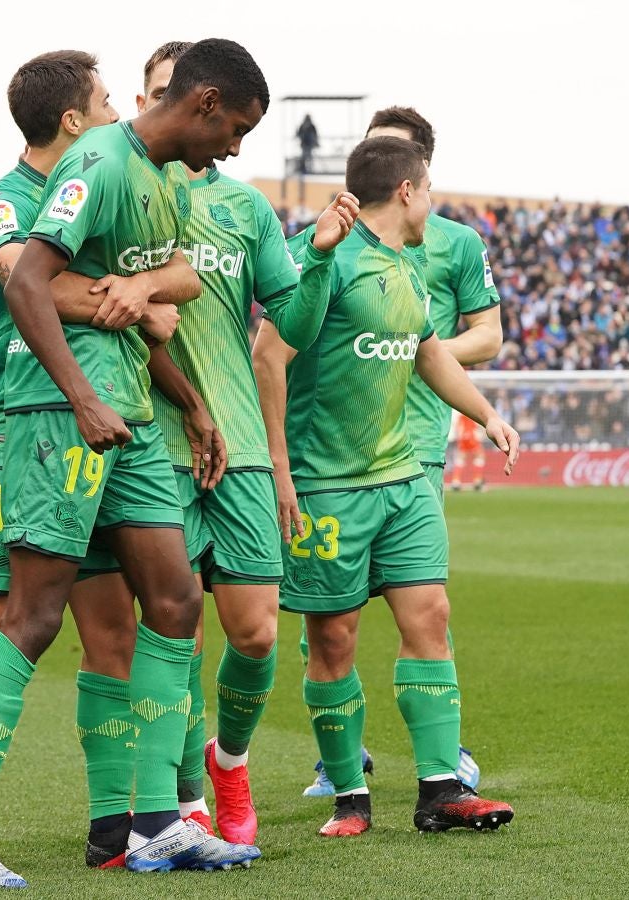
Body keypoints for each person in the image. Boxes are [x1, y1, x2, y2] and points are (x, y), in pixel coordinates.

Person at [0, 38, 271, 885]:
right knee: (33, 617)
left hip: (128, 418)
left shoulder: (160, 180)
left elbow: (177, 277)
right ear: (202, 105)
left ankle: (156, 821)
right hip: (57, 416)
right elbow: (27, 283)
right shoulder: (98, 162)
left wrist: (185, 392)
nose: (235, 147)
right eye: (235, 127)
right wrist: (82, 394)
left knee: (174, 599)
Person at [125, 41, 359, 846]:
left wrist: (319, 261)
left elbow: (288, 323)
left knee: (257, 631)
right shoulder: (127, 187)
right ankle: (183, 797)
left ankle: (228, 759)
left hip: (243, 445)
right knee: (175, 624)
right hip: (155, 440)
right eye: (155, 89)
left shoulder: (247, 208)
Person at [253, 135, 519, 838]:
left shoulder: (407, 266)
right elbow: (268, 353)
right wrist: (280, 469)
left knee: (429, 615)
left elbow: (429, 351)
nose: (432, 202)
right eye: (428, 189)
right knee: (333, 638)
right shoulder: (325, 256)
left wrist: (486, 414)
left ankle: (440, 791)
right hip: (326, 487)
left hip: (402, 479)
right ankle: (349, 796)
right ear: (406, 191)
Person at [449, 412, 486, 491]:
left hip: (463, 436)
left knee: (461, 458)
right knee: (479, 455)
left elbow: (457, 425)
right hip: (471, 435)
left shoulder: (458, 412)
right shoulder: (469, 409)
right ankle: (477, 481)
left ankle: (456, 481)